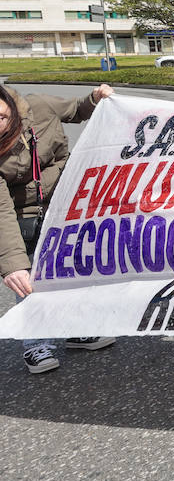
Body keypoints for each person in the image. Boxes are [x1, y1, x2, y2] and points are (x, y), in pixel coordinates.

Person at [0, 83, 117, 373]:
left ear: (11, 107)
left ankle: (75, 330)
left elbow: (77, 110)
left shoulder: (39, 105)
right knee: (30, 277)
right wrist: (12, 266)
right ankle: (35, 342)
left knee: (70, 271)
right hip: (20, 212)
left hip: (63, 202)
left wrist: (95, 98)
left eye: (1, 117)